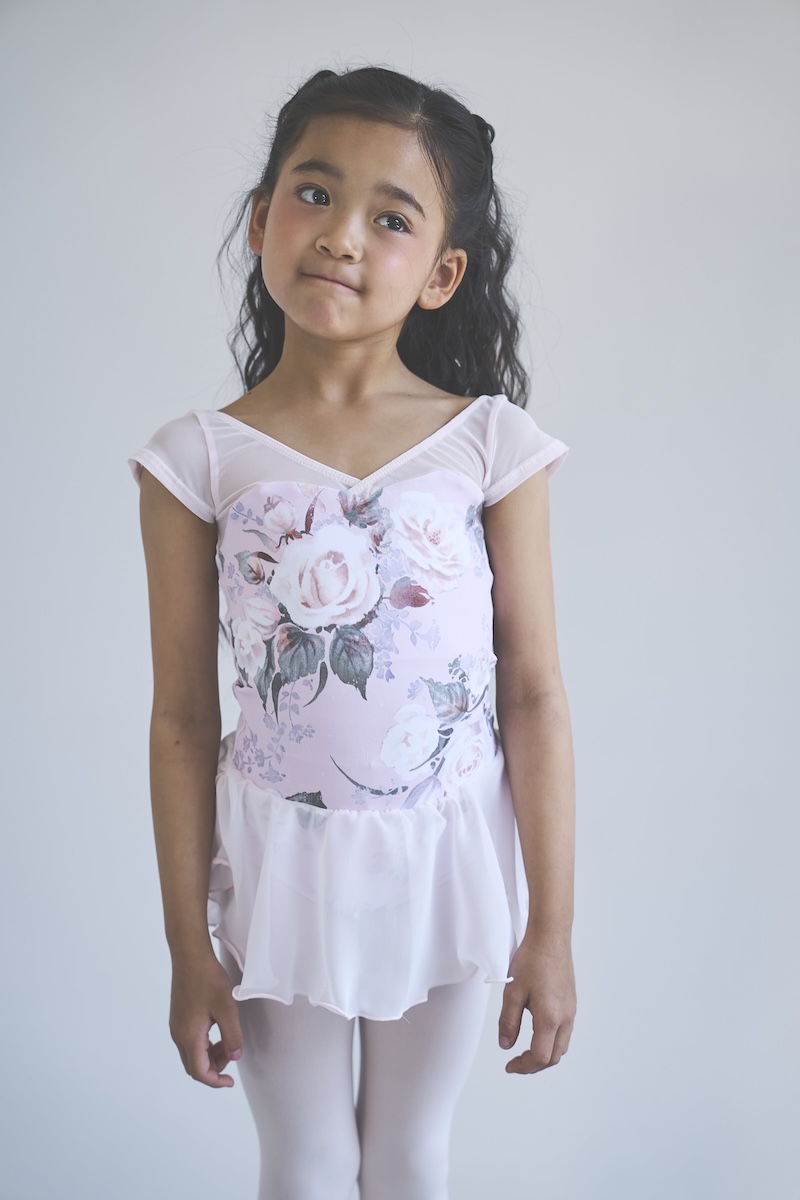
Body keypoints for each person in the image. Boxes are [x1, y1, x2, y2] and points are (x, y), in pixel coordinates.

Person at [129, 65, 577, 1200]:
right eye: (314, 194)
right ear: (260, 219)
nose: (339, 235)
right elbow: (181, 718)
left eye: (391, 218)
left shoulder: (487, 444)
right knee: (309, 1162)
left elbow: (533, 693)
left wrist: (551, 930)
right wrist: (187, 946)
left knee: (410, 1158)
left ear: (440, 274)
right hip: (279, 867)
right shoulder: (197, 459)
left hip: (446, 855)